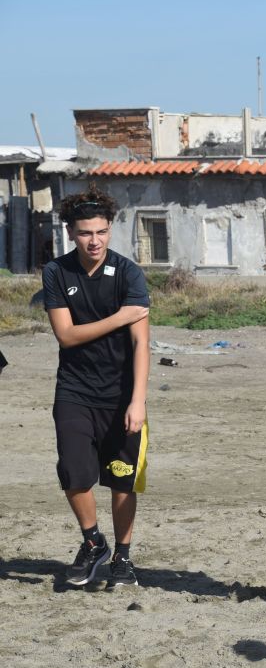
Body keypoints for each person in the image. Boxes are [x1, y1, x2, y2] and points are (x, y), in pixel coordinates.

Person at [42, 186, 150, 588]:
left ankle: (122, 555)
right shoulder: (56, 272)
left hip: (121, 393)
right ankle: (93, 542)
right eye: (86, 232)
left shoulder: (128, 273)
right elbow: (66, 336)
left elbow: (141, 342)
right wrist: (120, 316)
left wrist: (137, 400)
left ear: (110, 230)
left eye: (102, 232)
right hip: (73, 390)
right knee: (74, 473)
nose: (95, 240)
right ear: (70, 232)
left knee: (122, 478)